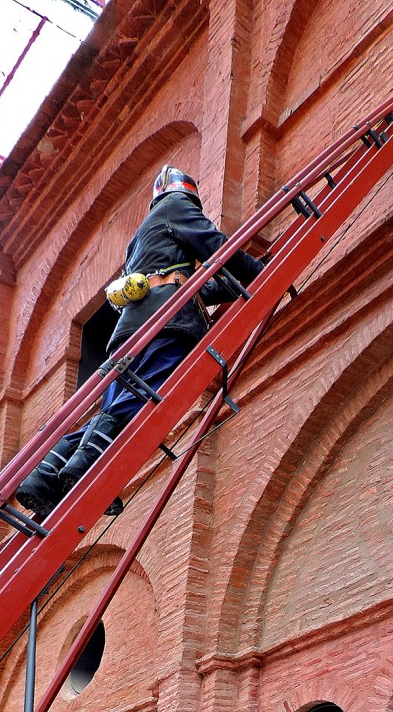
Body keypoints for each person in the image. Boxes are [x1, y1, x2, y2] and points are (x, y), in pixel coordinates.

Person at [16, 165, 264, 518]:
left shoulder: (142, 238)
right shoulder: (176, 205)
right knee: (144, 399)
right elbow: (216, 247)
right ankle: (83, 468)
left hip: (130, 329)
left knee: (117, 406)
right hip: (166, 323)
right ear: (184, 192)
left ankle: (44, 475)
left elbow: (185, 282)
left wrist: (226, 288)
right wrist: (259, 272)